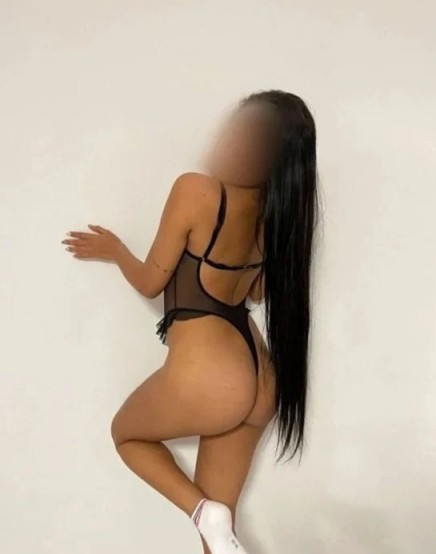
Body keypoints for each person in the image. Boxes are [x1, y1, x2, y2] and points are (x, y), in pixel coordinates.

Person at [62, 89, 321, 554]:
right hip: (260, 375)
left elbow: (150, 282)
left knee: (126, 434)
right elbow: (257, 292)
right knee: (219, 544)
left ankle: (201, 510)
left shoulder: (196, 190)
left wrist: (116, 251)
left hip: (212, 375)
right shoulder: (277, 212)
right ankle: (211, 519)